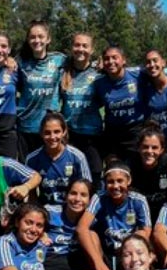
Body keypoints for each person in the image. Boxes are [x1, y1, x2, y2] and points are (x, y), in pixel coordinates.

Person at [77, 159, 152, 270]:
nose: (115, 186)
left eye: (120, 181)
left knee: (141, 234)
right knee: (91, 235)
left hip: (128, 251)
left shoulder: (138, 200)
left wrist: (126, 249)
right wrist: (98, 262)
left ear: (129, 181)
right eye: (110, 182)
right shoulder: (99, 198)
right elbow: (82, 228)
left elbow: (146, 231)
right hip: (105, 251)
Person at [43, 179, 108, 270]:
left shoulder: (93, 222)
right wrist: (40, 234)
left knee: (92, 236)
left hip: (73, 269)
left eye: (83, 195)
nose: (77, 199)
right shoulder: (49, 212)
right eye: (73, 193)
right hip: (48, 265)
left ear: (89, 201)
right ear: (66, 196)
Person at [17, 20, 67, 158]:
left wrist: (98, 65)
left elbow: (81, 63)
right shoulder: (20, 62)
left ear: (48, 39)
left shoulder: (59, 60)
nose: (36, 40)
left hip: (50, 129)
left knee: (50, 169)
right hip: (25, 126)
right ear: (28, 40)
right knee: (26, 170)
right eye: (32, 37)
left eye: (40, 36)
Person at [60, 33, 104, 188]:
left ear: (91, 50)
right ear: (72, 48)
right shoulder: (62, 73)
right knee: (72, 179)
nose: (81, 49)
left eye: (85, 46)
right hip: (70, 135)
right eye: (77, 45)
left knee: (95, 177)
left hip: (93, 136)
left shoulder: (99, 74)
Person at [25, 111, 91, 207]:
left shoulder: (77, 157)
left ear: (64, 132)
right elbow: (31, 194)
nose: (52, 137)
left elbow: (87, 189)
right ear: (41, 134)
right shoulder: (32, 159)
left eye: (57, 132)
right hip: (45, 210)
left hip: (71, 209)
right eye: (47, 133)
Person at [93, 46, 147, 159]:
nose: (110, 61)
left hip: (135, 131)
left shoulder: (138, 75)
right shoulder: (99, 83)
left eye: (114, 57)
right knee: (114, 169)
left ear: (123, 60)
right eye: (107, 59)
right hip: (112, 133)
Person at [128, 124, 167, 221]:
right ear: (138, 148)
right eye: (145, 147)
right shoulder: (130, 165)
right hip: (139, 214)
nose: (149, 151)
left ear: (162, 150)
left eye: (154, 147)